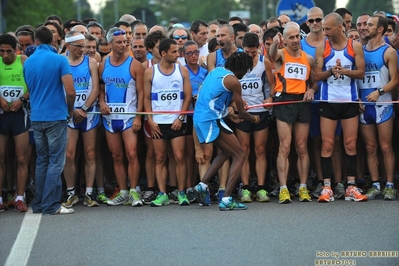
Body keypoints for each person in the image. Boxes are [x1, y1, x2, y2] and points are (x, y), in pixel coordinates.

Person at [193, 51, 260, 211]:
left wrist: (228, 116)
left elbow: (213, 97)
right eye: (247, 70)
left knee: (226, 152)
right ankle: (227, 198)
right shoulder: (233, 81)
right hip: (211, 119)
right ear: (242, 67)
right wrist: (254, 119)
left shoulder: (216, 71)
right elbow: (243, 112)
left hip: (201, 117)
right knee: (240, 154)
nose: (246, 73)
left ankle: (202, 185)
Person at [314, 12, 366, 202]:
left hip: (349, 101)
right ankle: (327, 186)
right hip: (328, 102)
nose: (324, 31)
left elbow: (361, 73)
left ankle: (351, 186)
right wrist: (330, 72)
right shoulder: (322, 48)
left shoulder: (355, 47)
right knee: (327, 144)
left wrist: (344, 71)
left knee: (350, 144)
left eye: (327, 28)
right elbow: (316, 76)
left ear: (339, 27)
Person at [23, 26, 76, 215]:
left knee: (42, 161)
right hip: (56, 115)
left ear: (36, 41)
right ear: (53, 41)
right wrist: (70, 109)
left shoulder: (28, 62)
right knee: (56, 161)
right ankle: (51, 204)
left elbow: (30, 89)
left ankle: (39, 203)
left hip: (36, 116)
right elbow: (70, 91)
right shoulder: (60, 59)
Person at [269, 24, 316, 203]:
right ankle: (283, 188)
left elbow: (315, 82)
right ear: (285, 40)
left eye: (297, 36)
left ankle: (303, 187)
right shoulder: (281, 54)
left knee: (302, 146)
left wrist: (311, 90)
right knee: (285, 146)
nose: (295, 40)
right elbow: (272, 56)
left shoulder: (308, 59)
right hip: (284, 101)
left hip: (302, 102)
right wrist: (274, 44)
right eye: (291, 37)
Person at [301, 7, 344, 199]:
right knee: (316, 141)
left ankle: (339, 181)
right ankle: (321, 180)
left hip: (333, 98)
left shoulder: (331, 42)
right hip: (310, 101)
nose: (315, 23)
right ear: (307, 23)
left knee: (335, 141)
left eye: (318, 19)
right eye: (311, 21)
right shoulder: (301, 44)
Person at [143, 38, 192, 207]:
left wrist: (180, 117)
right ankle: (162, 193)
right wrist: (150, 120)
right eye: (173, 51)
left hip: (176, 121)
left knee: (179, 157)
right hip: (158, 122)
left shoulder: (182, 70)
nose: (177, 54)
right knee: (160, 158)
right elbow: (146, 98)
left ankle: (181, 193)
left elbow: (187, 96)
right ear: (163, 53)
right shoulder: (150, 72)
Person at [99, 27, 144, 207]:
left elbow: (142, 93)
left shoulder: (134, 65)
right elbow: (101, 89)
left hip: (128, 117)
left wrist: (139, 117)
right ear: (110, 44)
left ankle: (134, 191)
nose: (123, 45)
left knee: (131, 153)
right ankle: (123, 192)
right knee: (116, 156)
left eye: (125, 42)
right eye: (119, 42)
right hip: (110, 118)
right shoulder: (103, 63)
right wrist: (101, 102)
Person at [359, 15, 398, 200]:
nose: (365, 27)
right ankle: (375, 184)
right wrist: (356, 98)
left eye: (370, 25)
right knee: (370, 147)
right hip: (364, 106)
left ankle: (389, 185)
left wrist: (379, 92)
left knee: (385, 146)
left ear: (380, 29)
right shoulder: (360, 49)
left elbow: (395, 80)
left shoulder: (388, 51)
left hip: (383, 104)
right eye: (365, 24)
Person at [61, 31, 100, 208]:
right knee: (69, 154)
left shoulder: (91, 62)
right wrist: (72, 110)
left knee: (90, 153)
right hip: (69, 114)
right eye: (78, 46)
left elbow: (96, 89)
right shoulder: (61, 61)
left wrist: (83, 108)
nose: (82, 50)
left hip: (88, 113)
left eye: (83, 46)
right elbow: (58, 89)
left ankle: (89, 193)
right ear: (68, 46)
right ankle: (71, 192)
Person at [236, 33, 275, 203]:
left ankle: (261, 188)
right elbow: (229, 85)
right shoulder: (236, 61)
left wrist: (270, 98)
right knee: (244, 150)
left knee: (260, 150)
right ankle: (245, 188)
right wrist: (237, 100)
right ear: (242, 48)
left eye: (253, 53)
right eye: (247, 52)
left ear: (259, 48)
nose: (250, 56)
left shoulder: (263, 61)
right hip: (243, 112)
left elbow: (273, 84)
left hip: (260, 110)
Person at [0, 34, 30, 212]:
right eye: (1, 51)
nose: (5, 55)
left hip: (20, 115)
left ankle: (19, 197)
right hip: (2, 115)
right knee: (1, 158)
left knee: (21, 158)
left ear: (16, 50)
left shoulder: (24, 60)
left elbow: (34, 85)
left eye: (8, 51)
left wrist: (22, 100)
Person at [182, 40, 208, 202]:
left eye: (195, 52)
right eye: (189, 53)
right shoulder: (181, 71)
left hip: (202, 117)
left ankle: (200, 185)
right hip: (187, 116)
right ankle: (187, 187)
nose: (193, 56)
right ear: (183, 55)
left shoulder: (205, 72)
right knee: (188, 154)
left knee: (202, 155)